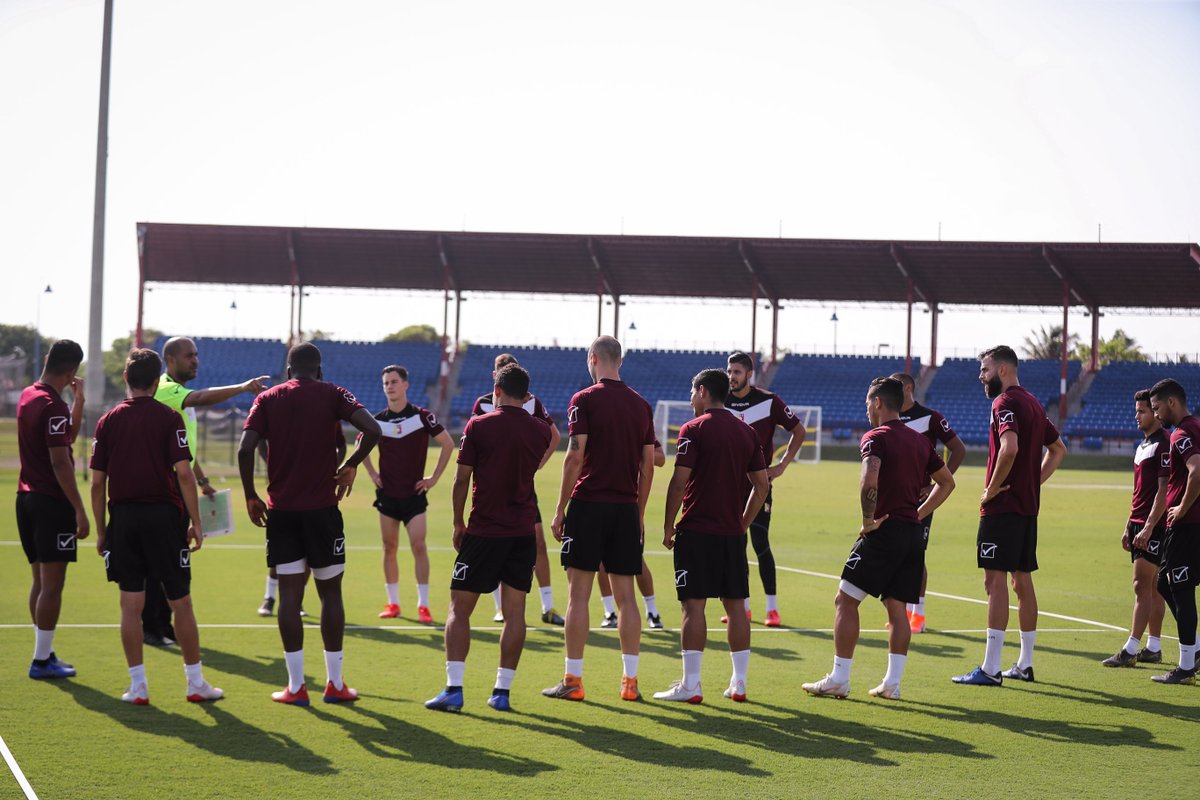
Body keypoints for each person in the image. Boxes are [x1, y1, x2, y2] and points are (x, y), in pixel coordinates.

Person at [238, 342, 381, 705]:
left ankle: (296, 687)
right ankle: (335, 684)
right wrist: (350, 465)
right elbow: (372, 429)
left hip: (282, 513)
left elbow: (244, 448)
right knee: (330, 594)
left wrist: (251, 496)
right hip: (323, 511)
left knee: (289, 596)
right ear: (319, 370)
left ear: (289, 371)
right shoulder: (333, 392)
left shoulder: (268, 398)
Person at [802, 377, 955, 700]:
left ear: (878, 403)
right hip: (913, 533)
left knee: (845, 599)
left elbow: (869, 478)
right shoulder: (920, 441)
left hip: (884, 531)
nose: (866, 410)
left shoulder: (876, 437)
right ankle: (892, 683)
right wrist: (921, 512)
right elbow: (947, 482)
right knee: (897, 610)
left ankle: (839, 678)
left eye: (868, 403)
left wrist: (867, 520)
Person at [90, 348, 222, 704]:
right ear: (155, 380)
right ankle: (195, 683)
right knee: (181, 603)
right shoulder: (169, 417)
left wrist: (103, 531)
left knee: (130, 605)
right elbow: (183, 473)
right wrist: (196, 521)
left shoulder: (108, 420)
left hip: (125, 520)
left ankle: (138, 687)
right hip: (164, 518)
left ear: (126, 380)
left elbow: (97, 482)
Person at [425, 364, 552, 712]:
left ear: (496, 391)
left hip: (484, 530)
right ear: (527, 397)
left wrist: (456, 522)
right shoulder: (540, 430)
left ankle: (453, 689)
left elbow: (461, 479)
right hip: (523, 531)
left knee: (459, 609)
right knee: (515, 613)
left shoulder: (479, 425)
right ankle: (501, 692)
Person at [544, 336, 656, 702]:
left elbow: (574, 457)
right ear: (618, 361)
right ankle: (630, 682)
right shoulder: (641, 405)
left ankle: (573, 681)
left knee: (579, 596)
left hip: (589, 504)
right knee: (627, 599)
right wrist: (638, 512)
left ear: (593, 359)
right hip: (625, 508)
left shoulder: (584, 399)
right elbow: (648, 465)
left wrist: (560, 508)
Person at [953, 346, 1066, 687]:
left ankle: (990, 668)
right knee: (1022, 581)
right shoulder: (1032, 402)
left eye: (984, 369)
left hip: (1002, 508)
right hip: (1027, 508)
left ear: (1002, 370)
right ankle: (1025, 663)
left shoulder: (1003, 403)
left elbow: (1010, 448)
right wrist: (1031, 482)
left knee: (994, 582)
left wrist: (992, 488)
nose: (981, 375)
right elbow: (1058, 449)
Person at [146, 336, 270, 646]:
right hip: (165, 487)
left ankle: (162, 623)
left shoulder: (178, 396)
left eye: (197, 354)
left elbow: (185, 448)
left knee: (174, 555)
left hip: (180, 483)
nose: (196, 360)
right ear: (171, 361)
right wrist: (242, 388)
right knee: (165, 558)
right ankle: (152, 625)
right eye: (189, 355)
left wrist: (202, 481)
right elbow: (201, 397)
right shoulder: (167, 391)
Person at [654, 369, 768, 703]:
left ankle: (691, 685)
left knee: (693, 606)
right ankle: (740, 683)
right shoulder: (747, 433)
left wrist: (667, 525)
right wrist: (743, 523)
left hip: (697, 532)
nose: (690, 398)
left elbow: (678, 482)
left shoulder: (693, 429)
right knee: (736, 608)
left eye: (692, 392)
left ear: (703, 392)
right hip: (731, 535)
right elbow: (762, 486)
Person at [470, 353, 565, 626]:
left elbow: (554, 435)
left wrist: (535, 466)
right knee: (497, 543)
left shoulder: (530, 401)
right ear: (494, 376)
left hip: (521, 486)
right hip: (490, 490)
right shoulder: (482, 405)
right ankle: (500, 607)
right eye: (499, 370)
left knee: (538, 543)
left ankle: (547, 606)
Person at [16, 339, 88, 680]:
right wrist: (80, 510)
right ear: (72, 371)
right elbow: (61, 462)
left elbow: (65, 438)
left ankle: (42, 652)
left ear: (47, 359)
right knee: (52, 587)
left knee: (39, 583)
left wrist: (78, 403)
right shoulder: (52, 406)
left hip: (26, 499)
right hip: (50, 502)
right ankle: (42, 661)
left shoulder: (29, 395)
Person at [362, 365, 454, 623]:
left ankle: (423, 606)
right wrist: (372, 474)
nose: (389, 386)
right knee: (389, 548)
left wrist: (434, 478)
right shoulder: (376, 420)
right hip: (387, 496)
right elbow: (361, 445)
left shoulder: (423, 417)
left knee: (419, 546)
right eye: (386, 383)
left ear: (405, 385)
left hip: (414, 497)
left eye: (394, 381)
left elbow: (448, 443)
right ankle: (393, 604)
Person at [723, 351, 805, 626]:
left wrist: (781, 466)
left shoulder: (769, 401)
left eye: (736, 372)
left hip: (759, 485)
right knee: (735, 543)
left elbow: (799, 430)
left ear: (749, 374)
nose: (731, 377)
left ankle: (772, 608)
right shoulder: (719, 401)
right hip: (729, 485)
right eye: (729, 371)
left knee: (759, 542)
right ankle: (742, 607)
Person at [891, 371, 967, 633]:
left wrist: (937, 484)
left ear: (909, 387)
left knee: (915, 552)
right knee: (896, 551)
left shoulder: (931, 417)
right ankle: (899, 611)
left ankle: (918, 615)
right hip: (894, 497)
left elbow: (959, 449)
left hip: (921, 497)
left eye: (897, 386)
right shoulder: (888, 418)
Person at [1102, 389, 1170, 667]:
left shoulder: (1164, 442)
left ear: (1155, 412)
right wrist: (1128, 525)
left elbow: (1164, 490)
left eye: (1142, 411)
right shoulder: (1144, 445)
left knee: (1141, 585)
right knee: (1153, 588)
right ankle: (1153, 647)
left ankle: (1130, 649)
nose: (1137, 416)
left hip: (1152, 525)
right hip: (1138, 523)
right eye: (1136, 411)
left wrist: (1149, 526)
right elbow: (1139, 491)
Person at [258, 426, 345, 617]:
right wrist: (270, 464)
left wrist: (334, 469)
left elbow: (341, 444)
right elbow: (255, 440)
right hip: (286, 496)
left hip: (316, 497)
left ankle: (296, 600)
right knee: (282, 556)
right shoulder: (278, 405)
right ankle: (270, 597)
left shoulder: (327, 407)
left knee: (308, 557)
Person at [1146, 378, 1200, 684]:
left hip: (1186, 524)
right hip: (1192, 524)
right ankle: (1196, 650)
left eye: (1156, 408)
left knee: (1180, 590)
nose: (1156, 415)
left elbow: (1197, 470)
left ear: (1171, 403)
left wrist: (1180, 507)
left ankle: (1186, 666)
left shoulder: (1181, 433)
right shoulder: (1196, 427)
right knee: (1166, 583)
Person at [597, 440, 666, 630]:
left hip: (629, 505)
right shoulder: (597, 418)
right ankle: (609, 612)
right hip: (598, 502)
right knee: (601, 562)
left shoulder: (635, 419)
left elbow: (660, 457)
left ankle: (652, 611)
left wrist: (634, 458)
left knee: (636, 560)